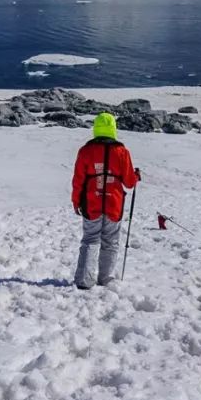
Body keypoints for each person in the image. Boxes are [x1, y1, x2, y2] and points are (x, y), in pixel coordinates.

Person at [72, 112, 139, 289]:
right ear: (113, 129)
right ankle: (106, 278)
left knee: (90, 239)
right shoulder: (122, 152)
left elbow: (78, 179)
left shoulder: (86, 150)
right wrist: (136, 176)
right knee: (111, 241)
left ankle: (84, 280)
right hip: (114, 204)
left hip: (91, 202)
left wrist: (75, 201)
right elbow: (129, 182)